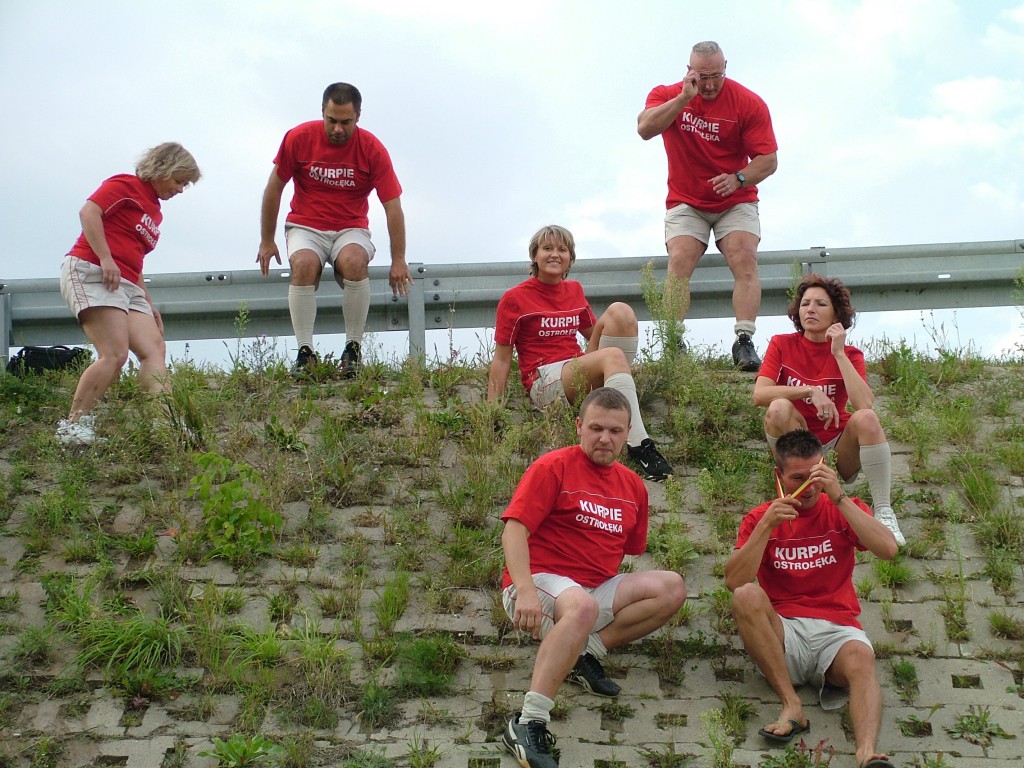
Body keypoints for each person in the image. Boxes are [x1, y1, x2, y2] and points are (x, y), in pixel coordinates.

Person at [500, 387, 687, 768]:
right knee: (582, 606)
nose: (606, 438)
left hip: (589, 590)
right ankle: (527, 721)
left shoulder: (633, 486)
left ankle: (584, 654)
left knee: (672, 586)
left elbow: (631, 550)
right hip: (539, 583)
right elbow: (514, 531)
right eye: (597, 428)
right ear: (579, 427)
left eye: (616, 431)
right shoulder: (553, 467)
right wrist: (524, 592)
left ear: (628, 433)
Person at [725, 429, 898, 768]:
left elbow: (889, 549)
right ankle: (792, 705)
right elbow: (734, 580)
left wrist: (841, 498)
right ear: (779, 476)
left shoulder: (839, 508)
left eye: (816, 475)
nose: (809, 488)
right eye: (798, 478)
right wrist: (765, 528)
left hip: (837, 628)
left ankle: (866, 754)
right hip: (783, 633)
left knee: (863, 660)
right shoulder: (759, 517)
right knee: (746, 595)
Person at [487, 225, 673, 481]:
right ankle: (639, 445)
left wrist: (616, 365)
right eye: (547, 248)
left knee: (622, 312)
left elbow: (594, 332)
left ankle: (614, 389)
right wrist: (491, 411)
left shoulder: (573, 290)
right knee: (613, 356)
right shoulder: (515, 298)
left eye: (562, 250)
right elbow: (502, 358)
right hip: (544, 382)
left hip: (575, 369)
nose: (555, 255)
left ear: (570, 259)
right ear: (535, 256)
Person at [638, 40, 778, 371]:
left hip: (735, 198)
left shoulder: (748, 102)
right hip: (687, 200)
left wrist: (739, 178)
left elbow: (768, 160)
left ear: (726, 67)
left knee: (744, 257)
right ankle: (674, 341)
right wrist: (684, 99)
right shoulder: (667, 94)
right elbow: (645, 128)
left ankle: (744, 342)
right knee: (680, 259)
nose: (711, 84)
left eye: (717, 75)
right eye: (703, 76)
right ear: (689, 72)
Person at [257, 82, 411, 376]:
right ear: (322, 113)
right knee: (303, 264)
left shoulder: (372, 149)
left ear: (358, 117)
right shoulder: (299, 138)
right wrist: (267, 240)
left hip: (350, 227)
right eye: (332, 121)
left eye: (345, 122)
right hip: (306, 225)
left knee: (354, 261)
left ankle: (353, 349)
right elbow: (274, 188)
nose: (338, 129)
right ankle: (305, 353)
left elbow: (393, 206)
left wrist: (399, 259)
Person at [56, 142, 202, 446]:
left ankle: (165, 424)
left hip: (129, 283)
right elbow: (89, 212)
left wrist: (147, 300)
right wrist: (106, 258)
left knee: (154, 350)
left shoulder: (155, 212)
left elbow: (134, 257)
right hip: (93, 270)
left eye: (185, 184)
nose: (180, 190)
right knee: (115, 353)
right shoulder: (124, 185)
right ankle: (73, 426)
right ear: (163, 168)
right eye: (179, 181)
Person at [753, 274, 905, 546]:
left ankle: (884, 511)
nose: (810, 309)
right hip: (798, 442)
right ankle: (794, 486)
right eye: (805, 303)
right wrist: (810, 391)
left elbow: (864, 404)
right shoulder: (782, 343)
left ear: (837, 314)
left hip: (837, 447)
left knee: (867, 419)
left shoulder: (851, 354)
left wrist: (839, 353)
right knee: (778, 408)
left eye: (821, 304)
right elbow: (760, 394)